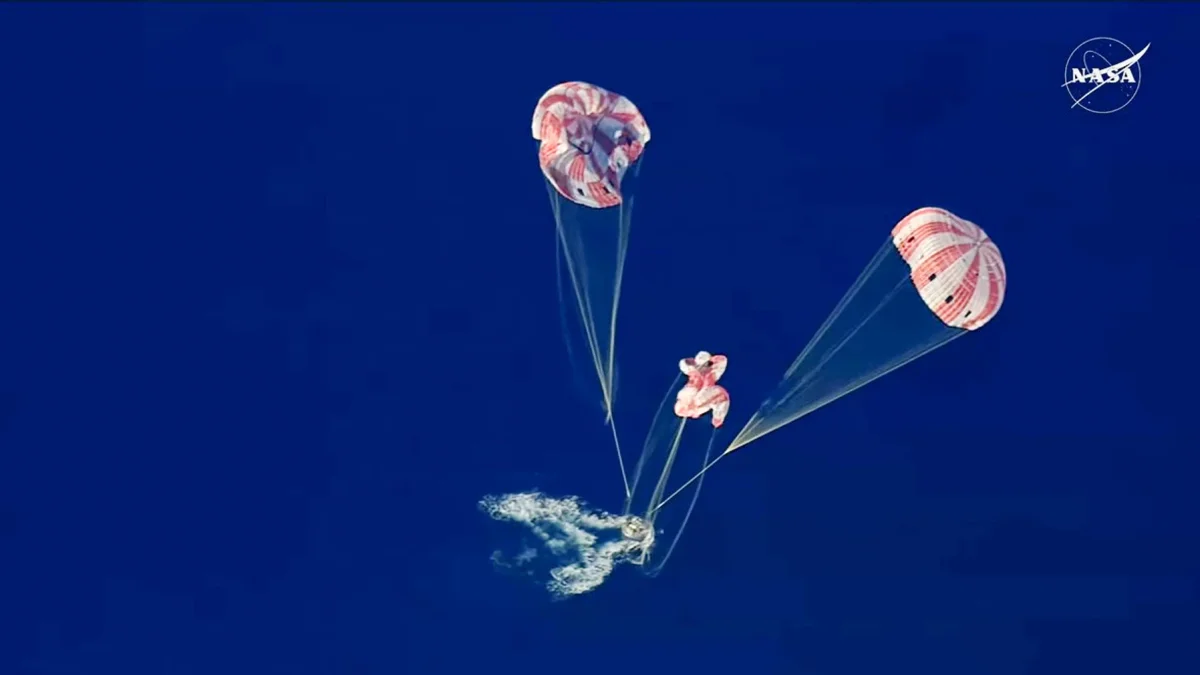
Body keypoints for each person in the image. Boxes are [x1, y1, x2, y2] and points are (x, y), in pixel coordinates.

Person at [674, 351, 730, 428]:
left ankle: (717, 419)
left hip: (698, 403)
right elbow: (683, 363)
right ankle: (717, 418)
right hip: (686, 402)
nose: (703, 368)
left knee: (721, 394)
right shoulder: (692, 371)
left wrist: (711, 361)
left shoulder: (713, 372)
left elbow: (722, 360)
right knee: (691, 392)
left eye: (707, 364)